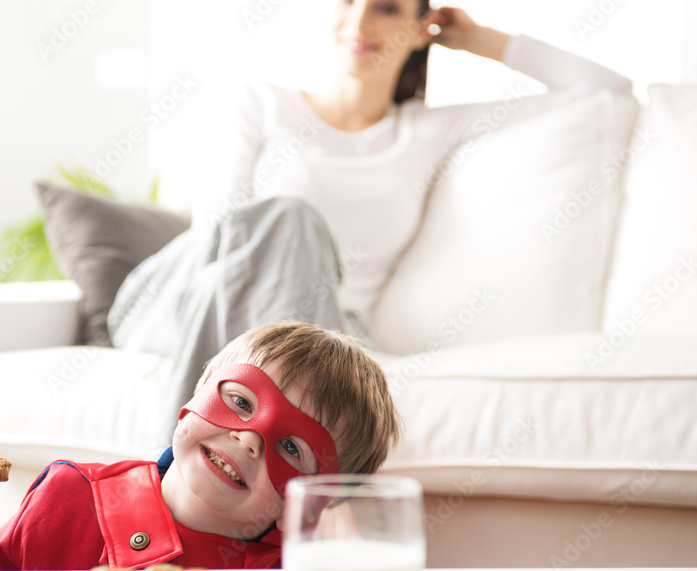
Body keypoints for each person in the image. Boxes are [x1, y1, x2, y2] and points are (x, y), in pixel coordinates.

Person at [108, 2, 633, 445]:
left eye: (386, 7)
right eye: (348, 1)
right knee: (283, 223)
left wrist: (477, 38)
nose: (360, 21)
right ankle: (288, 455)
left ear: (422, 27)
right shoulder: (264, 102)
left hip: (325, 329)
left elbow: (606, 87)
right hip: (173, 298)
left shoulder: (425, 131)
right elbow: (219, 236)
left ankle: (170, 480)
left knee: (283, 307)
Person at [0, 322, 401, 571]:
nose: (249, 439)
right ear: (195, 393)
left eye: (292, 448)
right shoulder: (70, 498)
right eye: (241, 401)